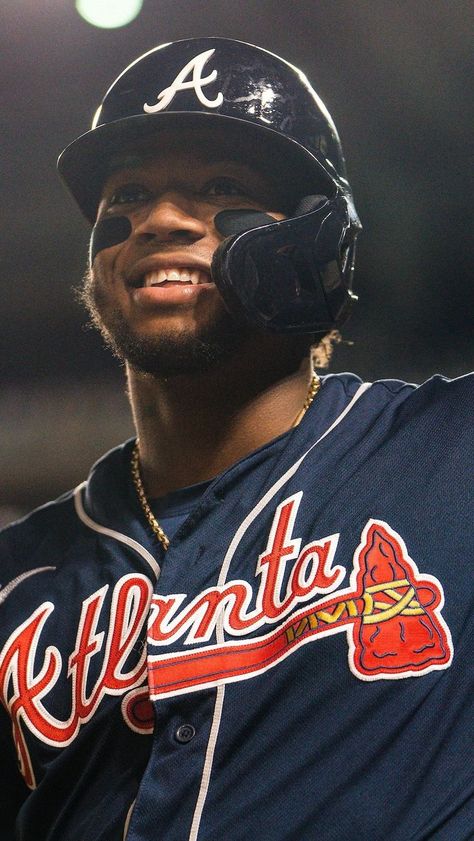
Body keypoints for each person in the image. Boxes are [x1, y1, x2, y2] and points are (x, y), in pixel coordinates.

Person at [0, 37, 472, 841]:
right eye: (131, 194)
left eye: (221, 187)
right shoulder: (20, 582)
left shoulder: (451, 454)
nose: (159, 219)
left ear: (318, 242)